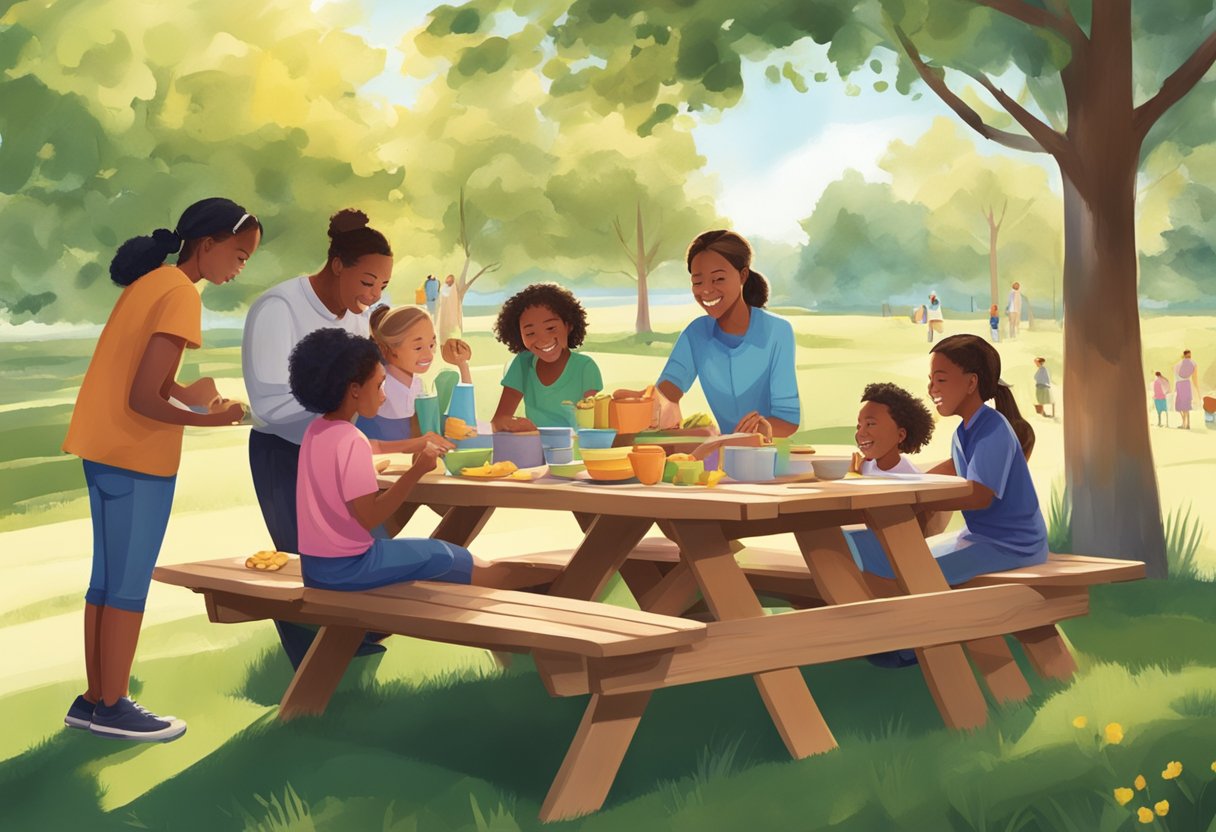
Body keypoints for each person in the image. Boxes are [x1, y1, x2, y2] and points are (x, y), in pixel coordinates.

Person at [62, 198, 260, 741]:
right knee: (126, 584)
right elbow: (145, 398)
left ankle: (93, 698)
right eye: (239, 255)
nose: (241, 266)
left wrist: (190, 395)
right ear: (207, 245)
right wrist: (212, 423)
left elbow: (146, 377)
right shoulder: (179, 295)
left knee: (104, 579)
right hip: (137, 455)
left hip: (102, 448)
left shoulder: (151, 283)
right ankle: (114, 704)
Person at [243, 208, 447, 668]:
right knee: (303, 556)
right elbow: (271, 404)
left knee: (364, 549)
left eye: (381, 287)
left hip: (342, 446)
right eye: (366, 283)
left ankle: (358, 645)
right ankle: (313, 664)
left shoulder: (362, 316)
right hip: (286, 451)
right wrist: (337, 425)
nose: (374, 297)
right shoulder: (279, 308)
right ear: (338, 266)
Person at [289, 329, 507, 591]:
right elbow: (370, 517)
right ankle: (548, 591)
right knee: (449, 557)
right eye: (379, 385)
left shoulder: (318, 431)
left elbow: (373, 446)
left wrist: (415, 443)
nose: (384, 396)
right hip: (352, 568)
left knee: (442, 555)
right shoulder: (351, 439)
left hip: (316, 569)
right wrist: (417, 471)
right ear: (355, 390)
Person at [845, 334, 1047, 589]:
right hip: (978, 538)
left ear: (971, 382)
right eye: (931, 380)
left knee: (909, 570)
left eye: (941, 379)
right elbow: (948, 471)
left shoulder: (994, 429)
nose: (932, 388)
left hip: (1011, 545)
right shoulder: (964, 432)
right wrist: (907, 488)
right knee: (856, 543)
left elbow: (979, 496)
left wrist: (917, 499)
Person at [615, 230, 800, 439]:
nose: (706, 291)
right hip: (724, 453)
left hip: (770, 455)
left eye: (718, 279)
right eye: (698, 282)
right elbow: (668, 393)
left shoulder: (777, 331)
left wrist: (759, 431)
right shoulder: (696, 334)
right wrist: (644, 399)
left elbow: (788, 419)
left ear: (743, 276)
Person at [491, 284, 602, 432]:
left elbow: (593, 425)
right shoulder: (523, 363)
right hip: (533, 448)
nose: (543, 340)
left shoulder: (585, 367)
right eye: (530, 333)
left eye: (551, 328)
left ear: (568, 326)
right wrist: (515, 424)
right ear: (519, 335)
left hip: (575, 449)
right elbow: (498, 420)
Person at [358, 304, 472, 442]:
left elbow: (459, 424)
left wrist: (462, 365)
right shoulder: (381, 387)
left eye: (431, 345)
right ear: (386, 348)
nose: (428, 355)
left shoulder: (416, 384)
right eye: (418, 347)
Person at [849, 383, 935, 476]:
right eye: (859, 426)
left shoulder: (910, 477)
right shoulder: (861, 467)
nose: (860, 433)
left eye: (870, 424)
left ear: (901, 435)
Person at [1175, 349, 1198, 430]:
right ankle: (1185, 424)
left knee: (1185, 406)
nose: (1189, 358)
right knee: (1182, 406)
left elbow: (1194, 378)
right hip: (1182, 384)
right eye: (1188, 356)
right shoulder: (1182, 364)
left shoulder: (1191, 363)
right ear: (1184, 356)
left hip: (1184, 384)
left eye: (1190, 356)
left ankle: (1186, 424)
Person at [436, 273, 461, 342]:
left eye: (450, 281)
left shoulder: (454, 288)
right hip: (444, 309)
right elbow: (443, 294)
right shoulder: (444, 287)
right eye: (448, 281)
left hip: (451, 310)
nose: (448, 282)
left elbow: (452, 297)